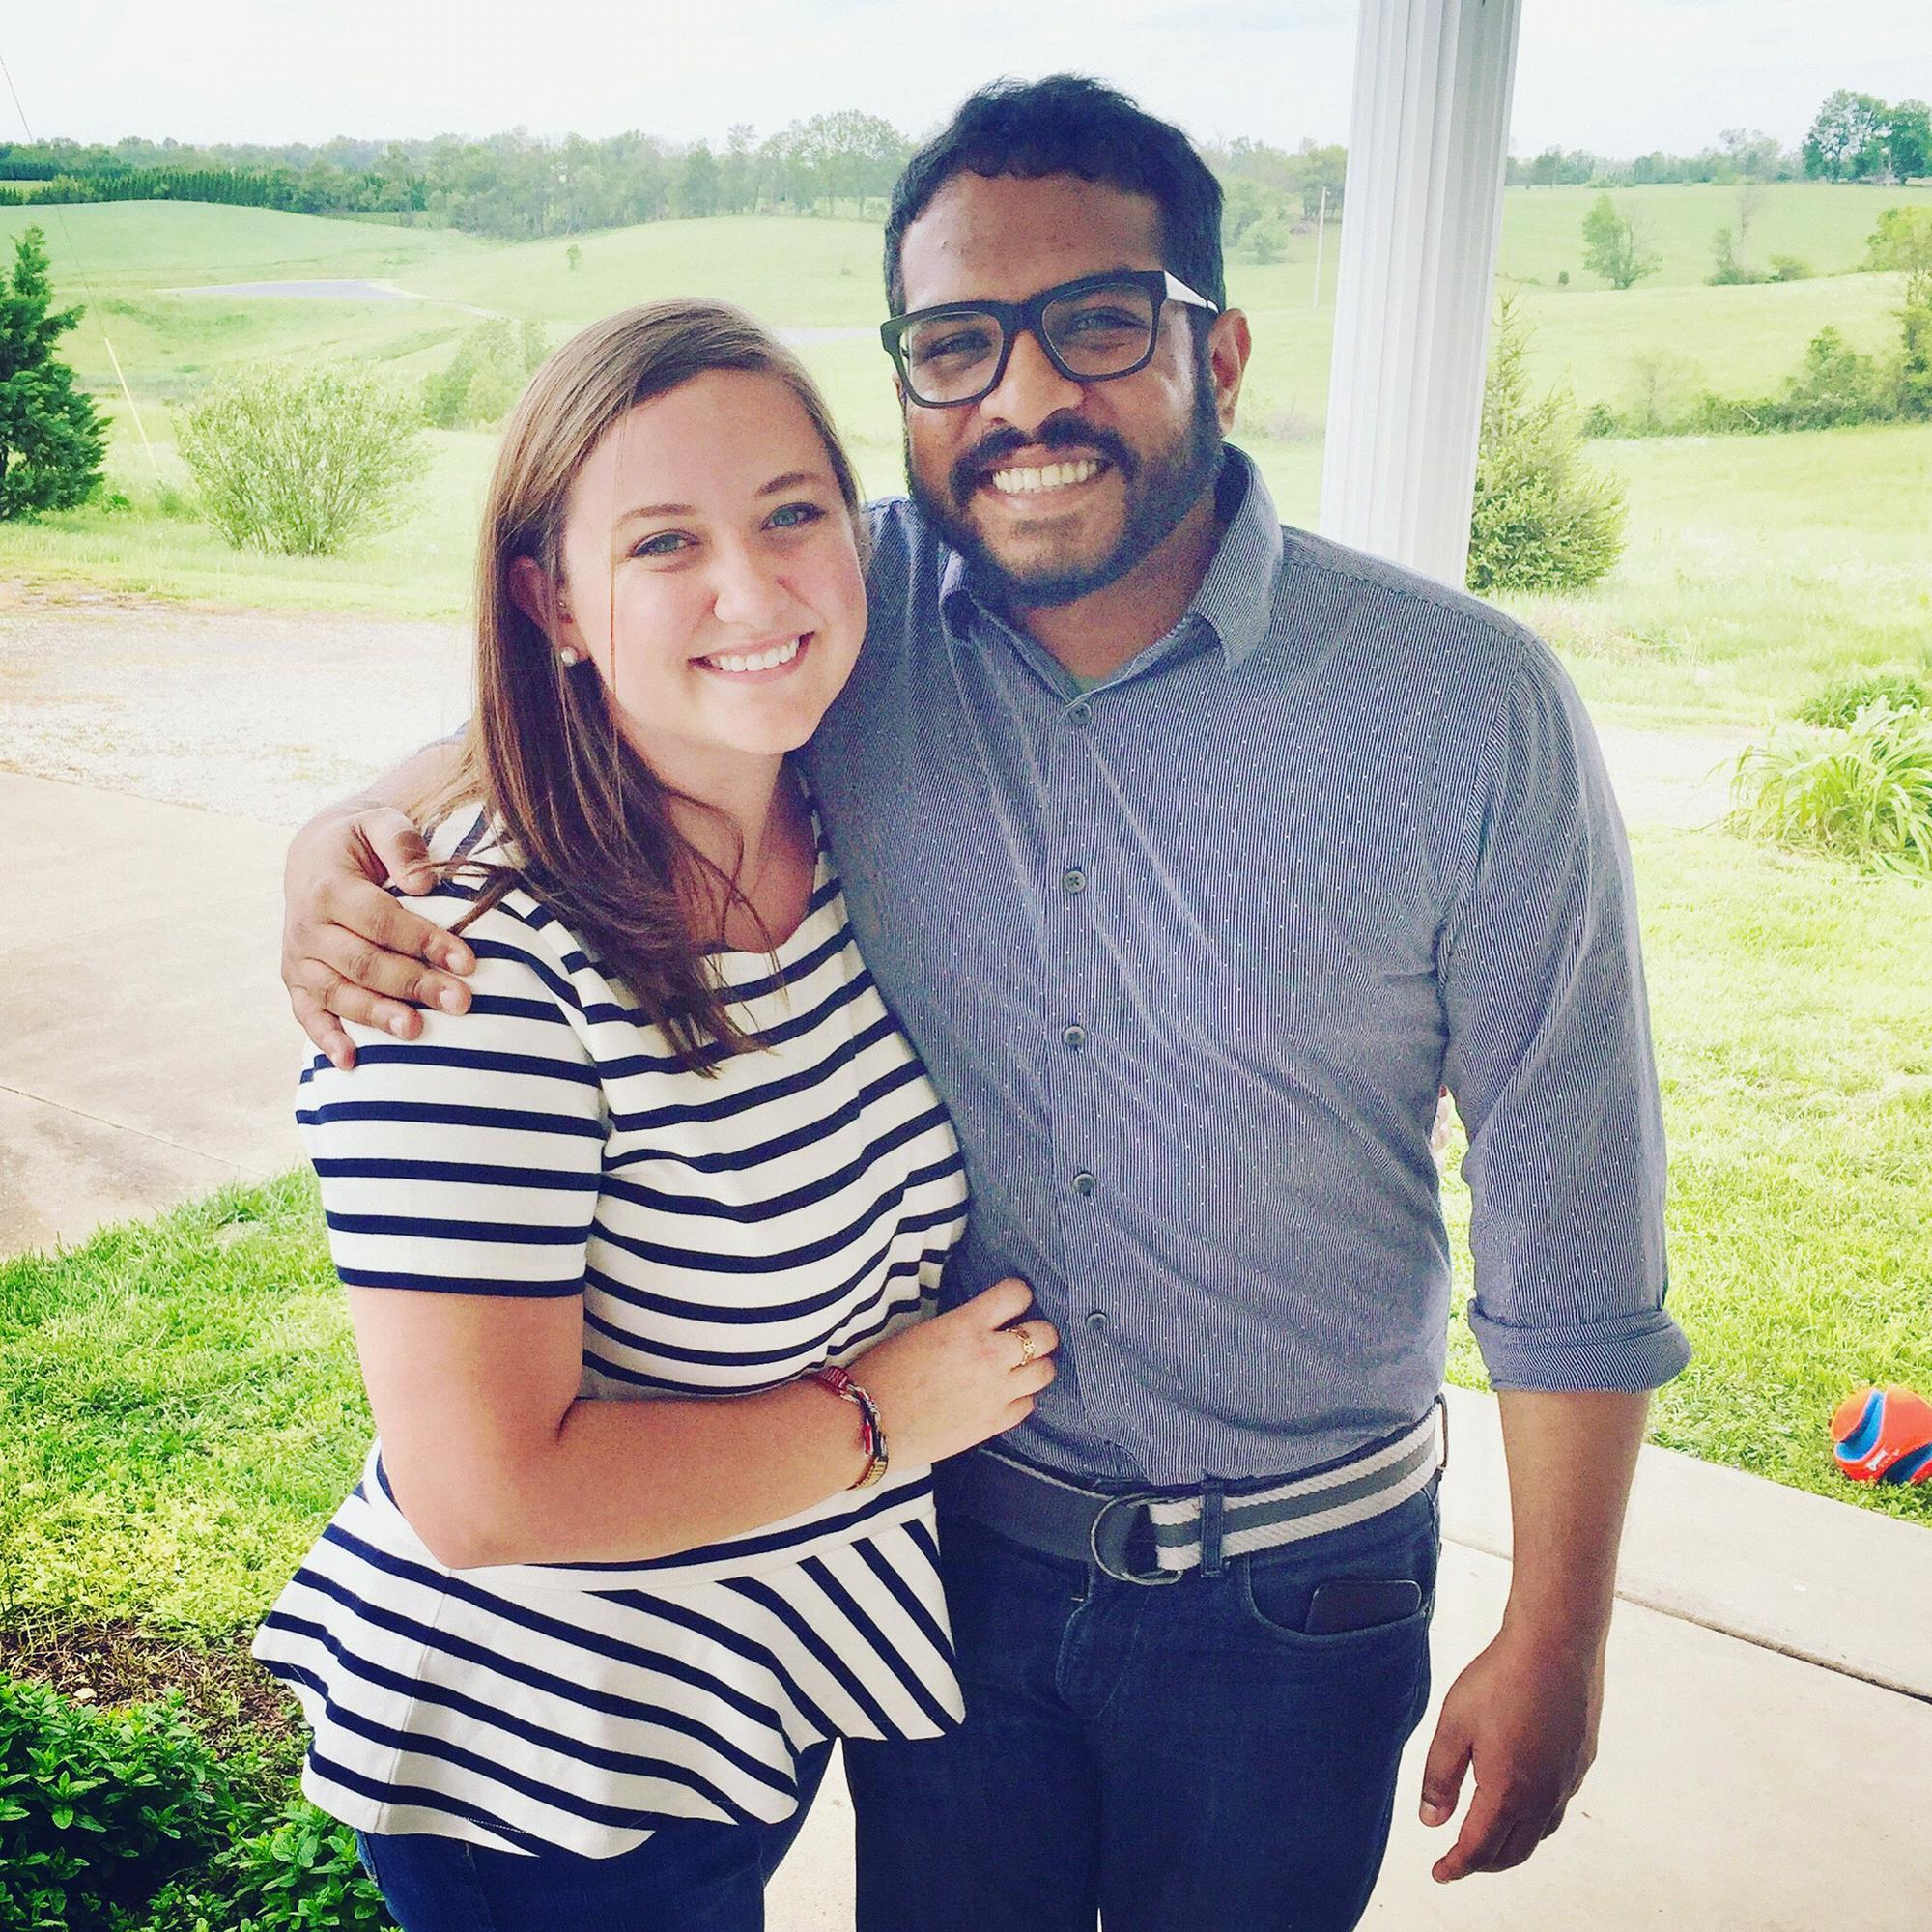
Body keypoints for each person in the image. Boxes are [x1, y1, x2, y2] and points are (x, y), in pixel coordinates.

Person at [276, 78, 1690, 1932]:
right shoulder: (841, 599)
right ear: (912, 385)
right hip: (951, 1566)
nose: (1027, 399)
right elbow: (598, 677)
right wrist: (337, 839)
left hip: (1299, 1593)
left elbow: (1572, 1203)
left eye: (1097, 322)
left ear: (1218, 352)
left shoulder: (1463, 708)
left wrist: (1561, 1630)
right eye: (957, 344)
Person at [252, 298, 1060, 1932]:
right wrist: (884, 1417)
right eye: (662, 543)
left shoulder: (831, 819)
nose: (753, 591)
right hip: (548, 1778)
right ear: (553, 601)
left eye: (791, 514)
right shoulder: (472, 970)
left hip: (732, 1709)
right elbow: (484, 1493)